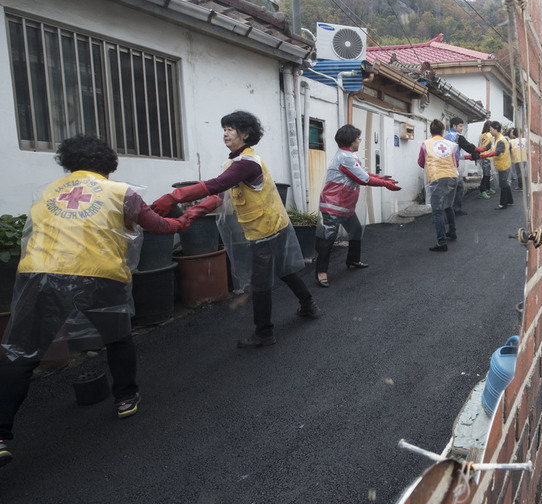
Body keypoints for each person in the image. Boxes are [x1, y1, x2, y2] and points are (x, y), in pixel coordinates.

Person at [0, 135, 219, 466]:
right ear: (108, 163)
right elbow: (159, 226)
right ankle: (125, 398)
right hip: (98, 275)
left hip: (39, 275)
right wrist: (184, 220)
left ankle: (1, 434)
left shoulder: (49, 192)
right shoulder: (121, 193)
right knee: (118, 339)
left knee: (21, 356)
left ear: (67, 161)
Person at [152, 111, 320, 349]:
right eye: (224, 129)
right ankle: (309, 304)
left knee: (260, 284)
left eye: (231, 128)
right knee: (283, 269)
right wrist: (195, 212)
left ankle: (264, 333)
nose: (226, 133)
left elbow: (218, 185)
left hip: (266, 230)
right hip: (273, 227)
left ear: (246, 134)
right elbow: (224, 195)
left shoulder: (247, 164)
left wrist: (175, 196)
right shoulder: (236, 163)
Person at [315, 124, 401, 288]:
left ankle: (353, 259)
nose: (359, 141)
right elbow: (363, 179)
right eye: (358, 139)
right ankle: (321, 272)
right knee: (327, 239)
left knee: (355, 230)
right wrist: (384, 184)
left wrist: (380, 177)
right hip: (334, 206)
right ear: (351, 141)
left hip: (344, 206)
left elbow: (361, 173)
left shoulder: (347, 156)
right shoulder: (346, 157)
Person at [418, 119, 460, 251]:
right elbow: (456, 163)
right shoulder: (451, 144)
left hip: (437, 177)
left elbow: (420, 162)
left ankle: (441, 242)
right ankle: (452, 232)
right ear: (443, 131)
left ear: (431, 131)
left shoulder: (425, 144)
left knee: (437, 211)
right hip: (453, 176)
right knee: (449, 206)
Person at [445, 117, 480, 215]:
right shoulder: (457, 137)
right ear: (454, 126)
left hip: (444, 166)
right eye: (460, 126)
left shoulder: (446, 136)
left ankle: (454, 209)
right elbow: (469, 147)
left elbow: (456, 153)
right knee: (452, 189)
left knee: (458, 186)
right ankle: (451, 212)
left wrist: (468, 156)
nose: (461, 129)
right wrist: (476, 152)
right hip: (451, 167)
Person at [487, 122, 514, 210]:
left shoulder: (501, 140)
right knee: (505, 182)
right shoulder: (494, 139)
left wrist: (483, 156)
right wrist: (476, 150)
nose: (490, 131)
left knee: (503, 184)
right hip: (500, 164)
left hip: (504, 165)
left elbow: (497, 152)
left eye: (491, 129)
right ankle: (510, 200)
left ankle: (503, 204)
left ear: (496, 129)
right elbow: (486, 148)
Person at [477, 122, 495, 198]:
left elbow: (479, 145)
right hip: (487, 156)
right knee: (486, 175)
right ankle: (482, 190)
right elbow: (492, 146)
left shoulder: (481, 136)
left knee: (487, 173)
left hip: (481, 156)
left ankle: (488, 188)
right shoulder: (490, 135)